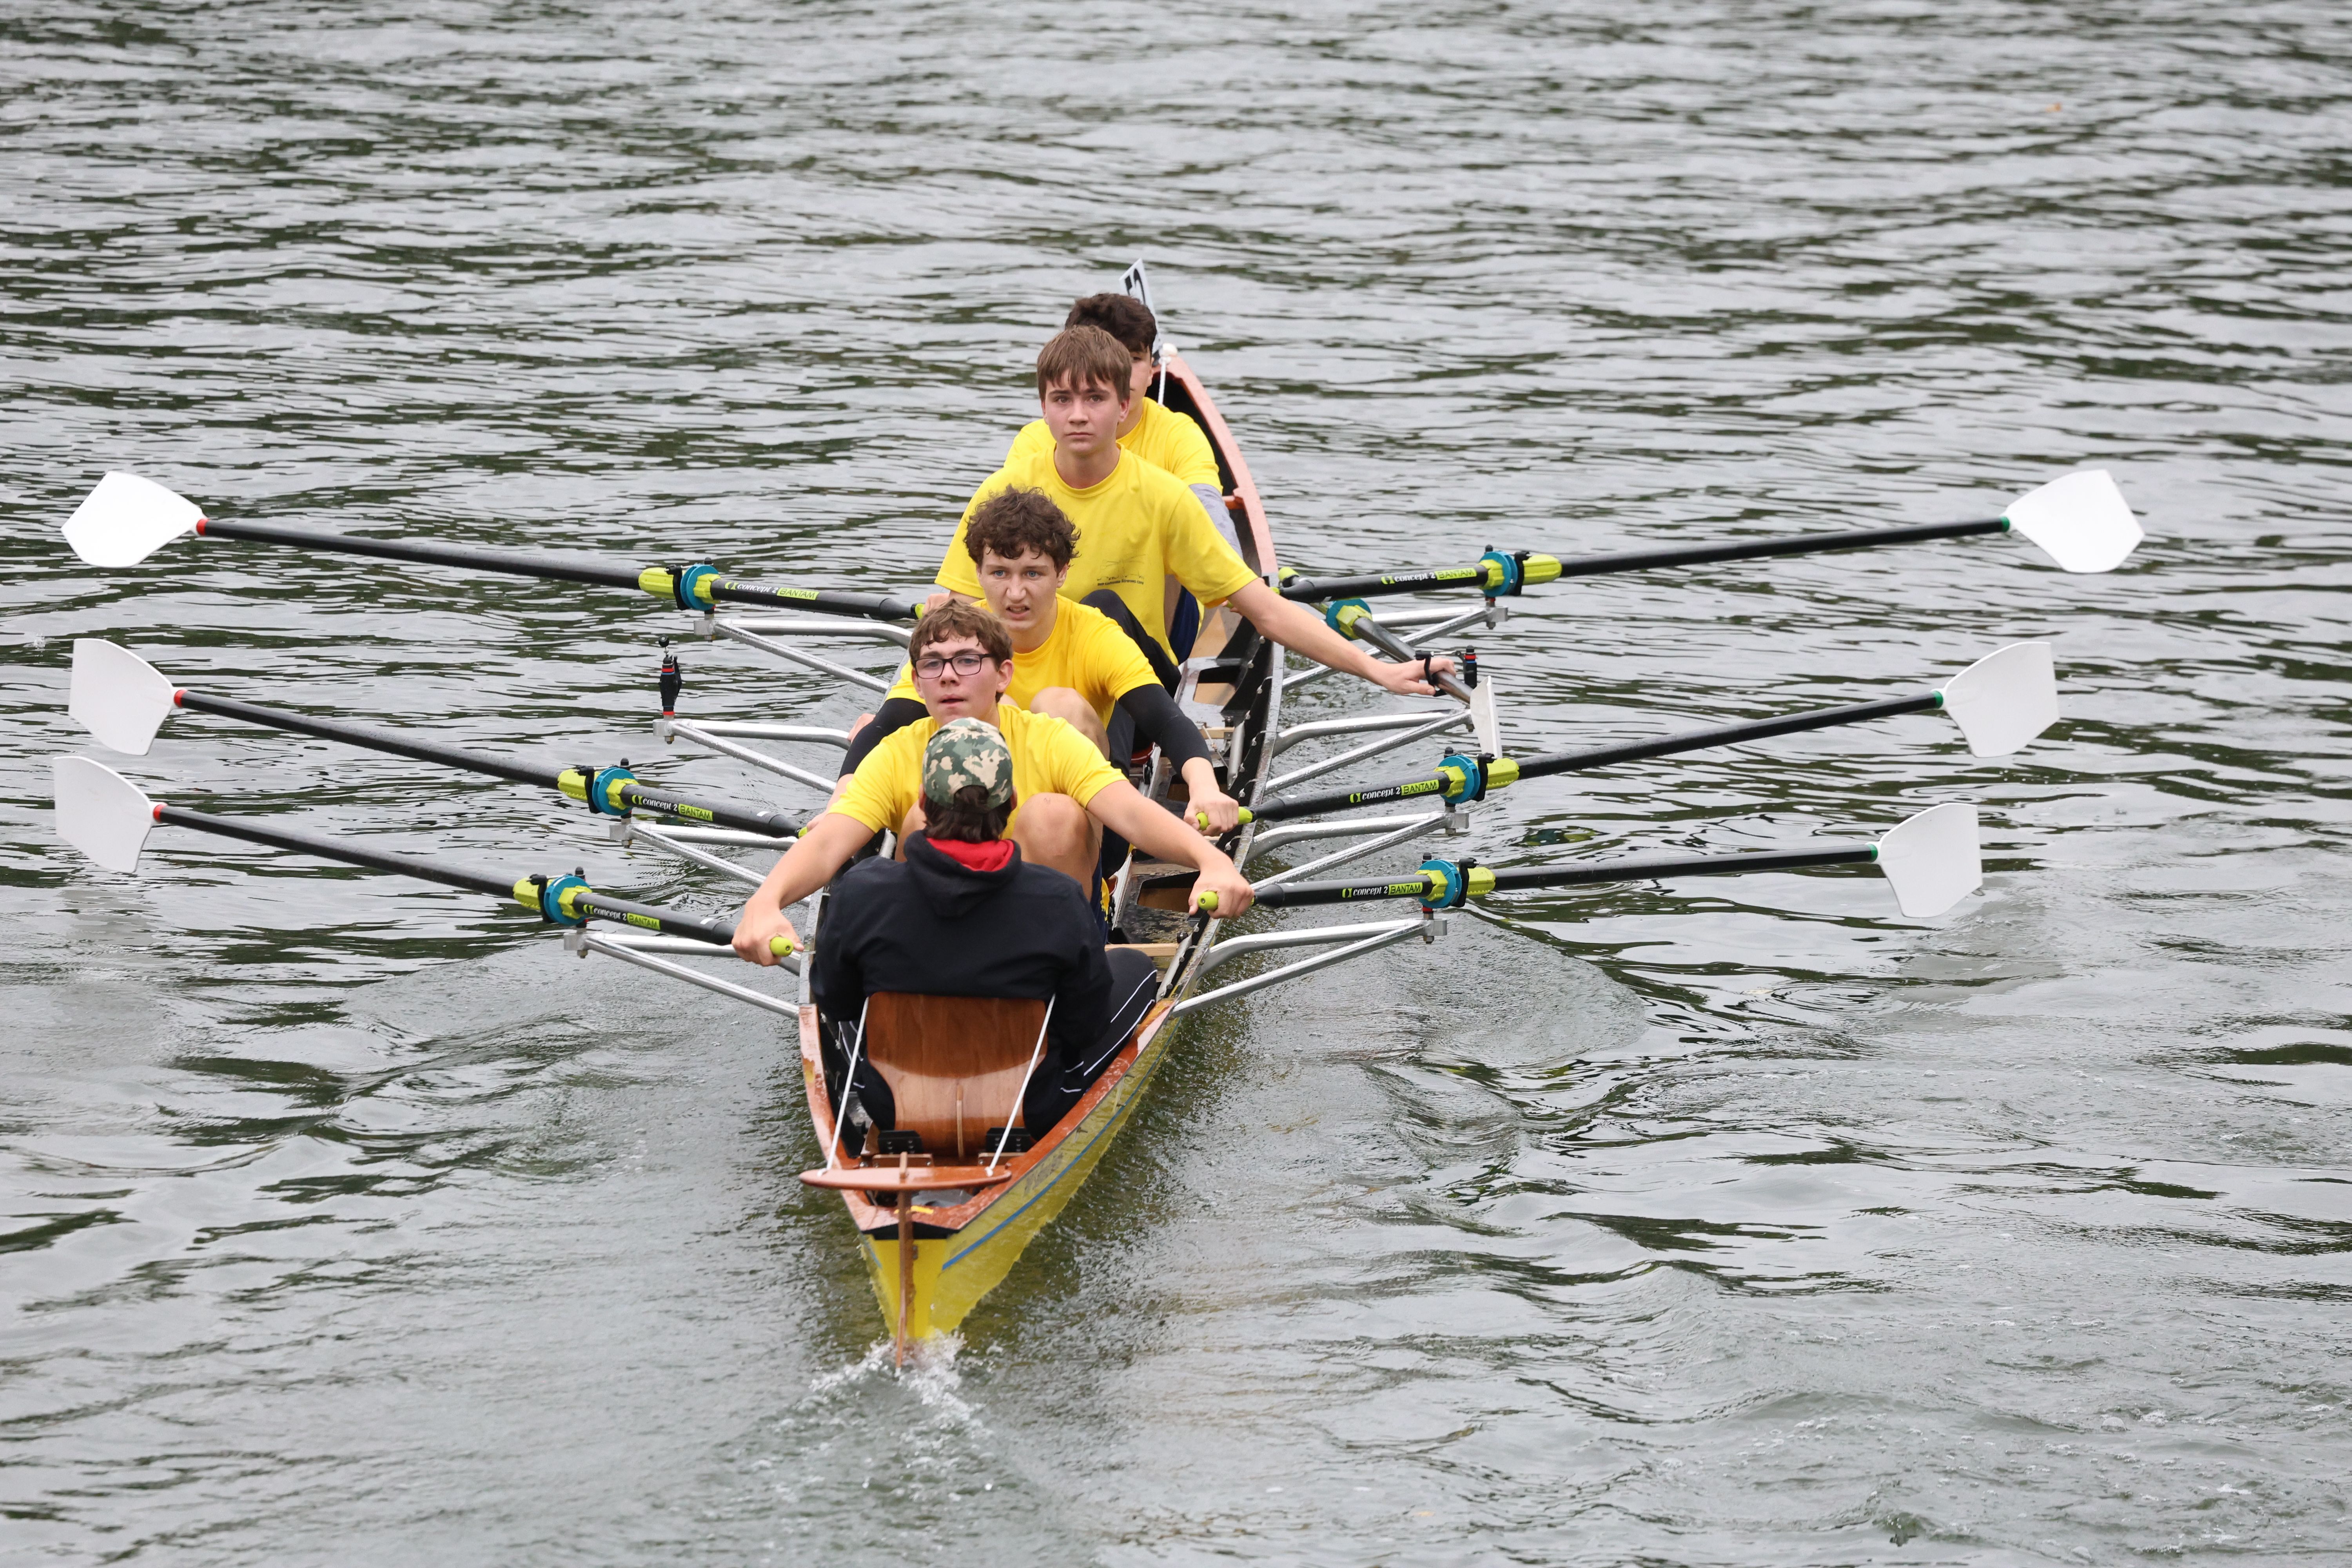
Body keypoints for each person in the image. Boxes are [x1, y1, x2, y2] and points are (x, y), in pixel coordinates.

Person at [933, 324, 1454, 696]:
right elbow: (955, 613)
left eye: (1094, 399)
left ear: (1125, 406)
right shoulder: (1003, 492)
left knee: (1105, 609)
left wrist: (1379, 670)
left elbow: (1265, 610)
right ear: (1043, 409)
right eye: (1063, 400)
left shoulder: (1164, 495)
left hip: (1133, 687)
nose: (1078, 415)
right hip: (1020, 679)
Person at [730, 600, 1253, 963]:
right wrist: (765, 901)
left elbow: (1131, 813)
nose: (949, 676)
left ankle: (1066, 966)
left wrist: (1210, 861)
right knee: (915, 821)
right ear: (917, 684)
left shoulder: (1048, 739)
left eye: (967, 661)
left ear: (1003, 675)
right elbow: (829, 843)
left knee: (1053, 814)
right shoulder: (897, 751)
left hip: (1049, 942)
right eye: (932, 665)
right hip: (945, 945)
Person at [809, 718, 1160, 1142]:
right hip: (1033, 1106)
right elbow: (1085, 1025)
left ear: (923, 800)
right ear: (1011, 803)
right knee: (1137, 969)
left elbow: (836, 1000)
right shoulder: (1057, 898)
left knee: (848, 984)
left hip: (891, 1104)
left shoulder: (860, 891)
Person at [843, 486, 1243, 832]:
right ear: (978, 573)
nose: (1016, 594)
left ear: (1062, 573)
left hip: (1075, 824)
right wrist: (840, 802)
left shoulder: (1095, 633)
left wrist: (1204, 788)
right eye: (1000, 573)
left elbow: (1166, 721)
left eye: (1032, 574)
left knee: (1056, 705)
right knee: (993, 713)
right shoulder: (955, 638)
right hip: (976, 820)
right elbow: (887, 724)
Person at [1004, 292, 1233, 549]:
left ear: (1152, 370)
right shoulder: (1033, 442)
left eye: (1134, 359)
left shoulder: (1179, 435)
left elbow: (1209, 518)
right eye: (1106, 360)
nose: (1121, 373)